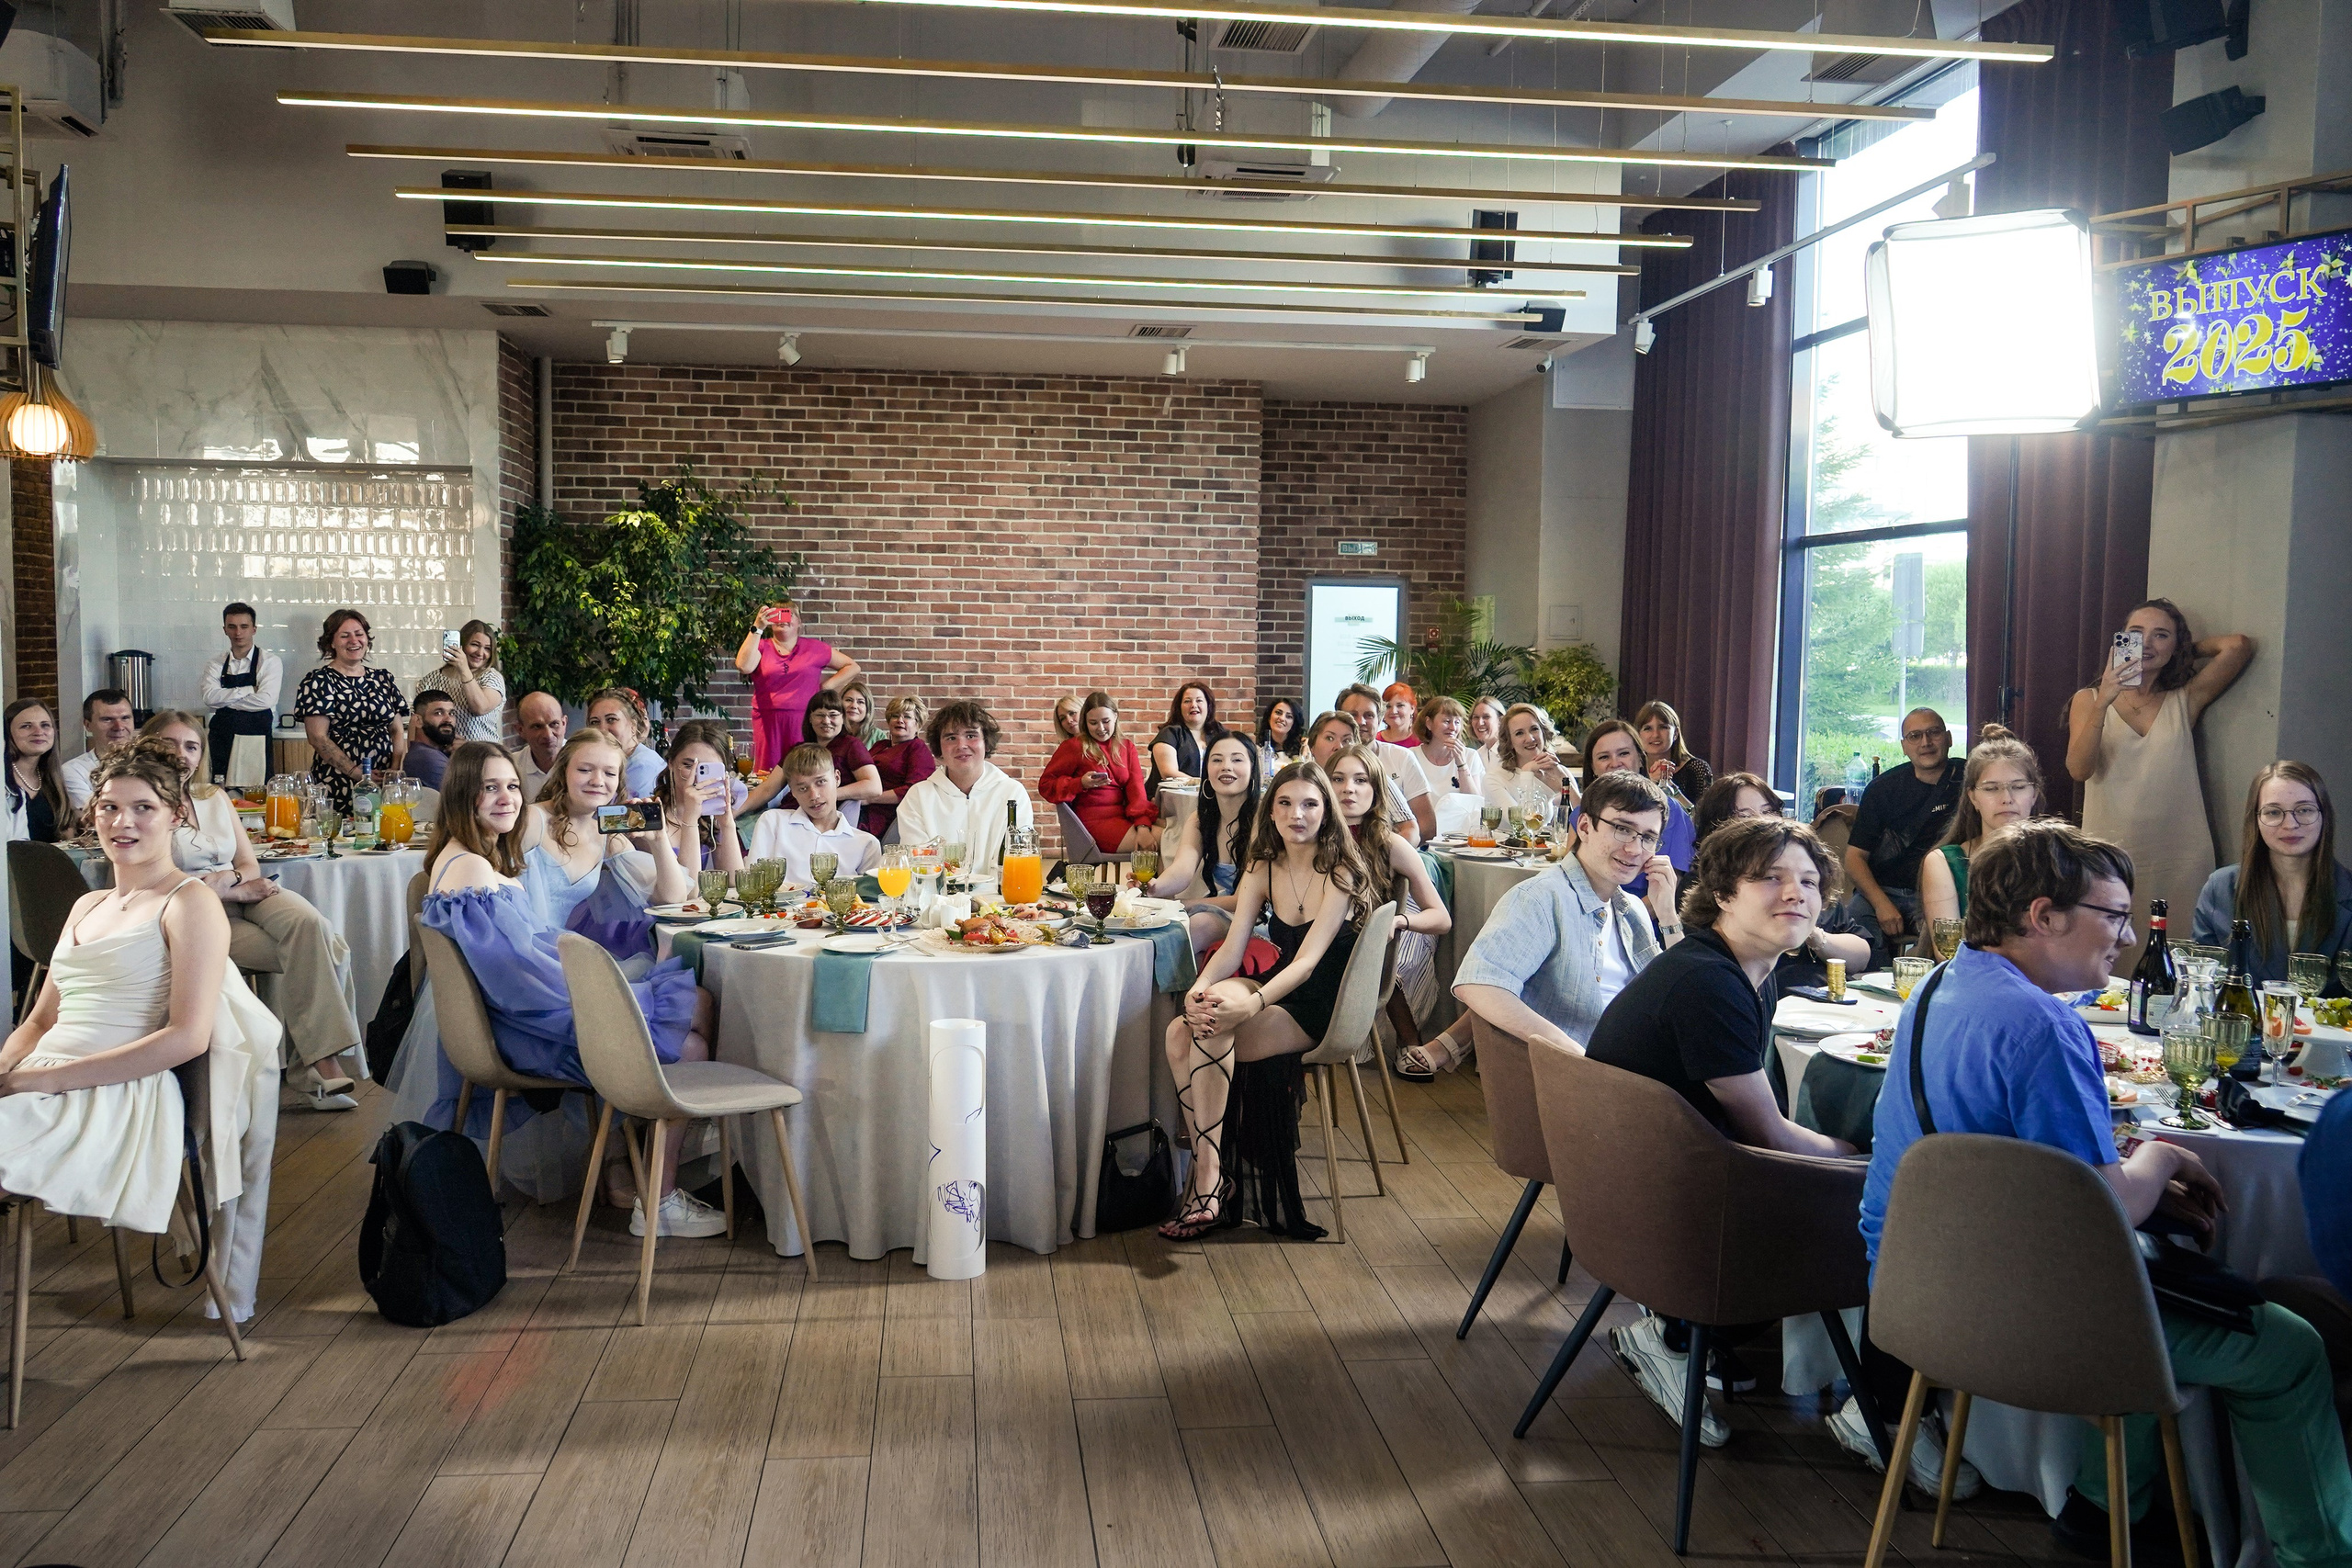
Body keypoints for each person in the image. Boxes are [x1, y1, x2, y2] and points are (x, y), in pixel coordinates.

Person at [1856, 821, 2352, 1562]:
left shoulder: (1939, 983)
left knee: (2141, 1265)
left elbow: (2023, 1166)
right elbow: (2111, 1206)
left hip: (1911, 1293)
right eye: (2112, 915)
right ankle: (2320, 1556)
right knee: (2289, 1344)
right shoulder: (2044, 1024)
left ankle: (2107, 1506)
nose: (2125, 938)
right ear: (2043, 915)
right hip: (2021, 1315)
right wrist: (2155, 1159)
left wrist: (2128, 1173)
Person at [1585, 816, 1857, 1447]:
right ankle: (1888, 1412)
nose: (1796, 893)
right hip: (1666, 1215)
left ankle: (1685, 1333)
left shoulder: (1741, 969)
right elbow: (1768, 1135)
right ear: (1724, 891)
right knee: (1876, 1205)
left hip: (1640, 1182)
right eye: (1771, 877)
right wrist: (1862, 1156)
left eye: (1810, 881)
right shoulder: (1710, 983)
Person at [418, 739, 723, 1238]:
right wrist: (603, 1000)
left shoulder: (478, 856)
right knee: (692, 1028)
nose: (507, 799)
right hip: (528, 1021)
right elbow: (520, 980)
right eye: (490, 789)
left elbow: (677, 894)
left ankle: (654, 1185)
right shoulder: (484, 861)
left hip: (530, 1005)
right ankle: (660, 1194)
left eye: (512, 787)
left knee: (692, 1006)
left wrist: (661, 834)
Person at [0, 743, 250, 1237]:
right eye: (110, 807)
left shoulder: (189, 903)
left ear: (176, 815)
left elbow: (187, 1037)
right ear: (93, 814)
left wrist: (46, 1082)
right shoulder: (86, 904)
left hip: (118, 1088)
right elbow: (40, 1020)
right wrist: (8, 1069)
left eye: (143, 808)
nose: (122, 822)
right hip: (41, 1076)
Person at [1160, 759, 1379, 1240]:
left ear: (1326, 811)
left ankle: (1208, 1180)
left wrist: (1252, 1006)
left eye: (1309, 804)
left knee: (1213, 1025)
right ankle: (1211, 1167)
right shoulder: (1263, 863)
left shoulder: (1341, 870)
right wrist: (1200, 988)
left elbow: (1307, 964)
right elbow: (1235, 947)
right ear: (1271, 811)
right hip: (1281, 982)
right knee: (1181, 1027)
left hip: (1324, 1000)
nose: (1296, 814)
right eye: (1284, 803)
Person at [139, 710, 367, 1112]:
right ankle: (318, 1063)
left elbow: (248, 863)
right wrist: (229, 893)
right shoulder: (142, 804)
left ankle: (314, 1063)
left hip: (242, 891)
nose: (182, 754)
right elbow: (156, 883)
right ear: (149, 747)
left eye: (191, 746)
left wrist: (231, 882)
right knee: (330, 948)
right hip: (194, 916)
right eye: (170, 744)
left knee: (311, 924)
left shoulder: (214, 797)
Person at [2068, 598, 2255, 971]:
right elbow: (2078, 769)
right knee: (2108, 959)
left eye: (2161, 636)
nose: (2147, 644)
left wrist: (2185, 649)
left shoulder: (2185, 699)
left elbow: (2237, 646)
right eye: (2135, 635)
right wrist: (2104, 702)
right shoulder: (2087, 700)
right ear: (2120, 640)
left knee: (2181, 962)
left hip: (2180, 855)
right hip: (2111, 854)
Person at [1452, 771, 1674, 1064]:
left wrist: (1668, 915)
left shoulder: (1631, 910)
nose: (1634, 849)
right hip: (1575, 1082)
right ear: (1584, 826)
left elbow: (1675, 1001)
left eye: (1648, 838)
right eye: (1622, 829)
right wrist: (1578, 1058)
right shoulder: (1542, 897)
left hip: (1636, 1069)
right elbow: (1480, 985)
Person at [1329, 742, 1452, 1074]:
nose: (1348, 789)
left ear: (1377, 789)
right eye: (1337, 779)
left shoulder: (1390, 843)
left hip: (1370, 940)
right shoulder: (1311, 837)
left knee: (1365, 945)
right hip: (1312, 937)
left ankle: (1408, 1039)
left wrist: (1400, 921)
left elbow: (1441, 918)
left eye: (1360, 780)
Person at [1693, 773, 1872, 986]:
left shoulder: (1802, 876)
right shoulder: (1712, 883)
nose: (1762, 822)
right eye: (1744, 816)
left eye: (1768, 812)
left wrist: (1812, 935)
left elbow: (1862, 955)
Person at [2196, 761, 2352, 983]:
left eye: (2305, 810)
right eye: (2273, 812)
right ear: (2256, 819)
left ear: (2324, 816)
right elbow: (2202, 985)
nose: (2290, 824)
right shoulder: (2220, 889)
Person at [1842, 707, 1958, 956]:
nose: (1925, 743)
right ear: (1904, 746)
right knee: (1854, 935)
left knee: (1941, 947)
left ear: (1948, 738)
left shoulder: (1970, 781)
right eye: (1915, 736)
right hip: (1883, 890)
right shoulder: (1882, 789)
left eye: (1933, 733)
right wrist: (1881, 903)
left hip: (1942, 892)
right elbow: (1854, 858)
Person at [1917, 725, 2043, 934]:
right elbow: (1947, 950)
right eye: (1992, 789)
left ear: (2034, 794)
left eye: (2019, 787)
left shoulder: (2058, 860)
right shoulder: (1944, 862)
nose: (2007, 799)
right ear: (1973, 797)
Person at [1149, 731, 1261, 956]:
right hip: (1218, 908)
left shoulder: (1263, 821)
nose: (1226, 767)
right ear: (1206, 770)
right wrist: (1154, 888)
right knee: (1159, 927)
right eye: (1217, 760)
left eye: (1237, 759)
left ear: (1253, 768)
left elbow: (1243, 900)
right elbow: (1182, 870)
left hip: (1257, 917)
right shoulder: (1201, 818)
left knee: (1198, 924)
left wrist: (1182, 904)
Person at [293, 609, 409, 813]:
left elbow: (397, 730)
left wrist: (393, 772)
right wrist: (358, 775)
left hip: (384, 781)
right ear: (331, 643)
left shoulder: (382, 678)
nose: (353, 640)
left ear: (367, 638)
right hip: (338, 780)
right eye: (344, 636)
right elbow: (318, 738)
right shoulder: (319, 681)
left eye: (359, 634)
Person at [895, 700, 1035, 868]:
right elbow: (918, 865)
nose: (961, 745)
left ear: (986, 742)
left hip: (998, 893)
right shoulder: (918, 797)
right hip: (938, 893)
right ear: (939, 747)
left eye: (971, 736)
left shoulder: (1012, 794)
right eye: (951, 738)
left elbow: (1019, 860)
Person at [735, 603, 859, 774]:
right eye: (777, 614)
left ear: (799, 622)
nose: (782, 619)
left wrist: (824, 687)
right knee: (767, 771)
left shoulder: (815, 648)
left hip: (804, 720)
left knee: (803, 767)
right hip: (768, 721)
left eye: (788, 614)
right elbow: (744, 666)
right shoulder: (761, 646)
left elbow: (852, 666)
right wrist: (758, 626)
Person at [1577, 719, 1696, 894]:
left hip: (1644, 914)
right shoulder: (1582, 811)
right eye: (1604, 757)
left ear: (1641, 759)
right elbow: (1571, 872)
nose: (1615, 763)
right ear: (1593, 767)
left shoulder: (1668, 810)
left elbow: (1668, 888)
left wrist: (1627, 919)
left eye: (1624, 754)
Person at [1040, 690, 1160, 854]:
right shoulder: (1074, 746)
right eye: (1093, 723)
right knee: (1167, 840)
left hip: (1124, 817)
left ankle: (1152, 881)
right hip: (1094, 822)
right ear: (1085, 722)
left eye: (1106, 721)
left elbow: (1136, 789)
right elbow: (1046, 785)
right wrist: (1079, 783)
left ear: (1116, 717)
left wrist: (1142, 825)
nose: (1101, 728)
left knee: (1176, 835)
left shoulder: (1126, 747)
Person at [748, 742, 883, 885]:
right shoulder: (773, 823)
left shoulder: (866, 844)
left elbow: (869, 901)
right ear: (792, 792)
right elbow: (753, 883)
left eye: (821, 782)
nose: (814, 795)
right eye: (802, 788)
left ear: (837, 778)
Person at [742, 689, 883, 823]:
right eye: (820, 715)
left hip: (817, 820)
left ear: (842, 719)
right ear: (810, 718)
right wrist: (735, 812)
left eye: (833, 715)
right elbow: (767, 789)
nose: (827, 721)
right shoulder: (798, 750)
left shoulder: (851, 745)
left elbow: (874, 786)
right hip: (788, 812)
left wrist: (828, 795)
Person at [1335, 685, 1429, 843]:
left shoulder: (1402, 757)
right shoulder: (1329, 760)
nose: (1361, 722)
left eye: (1369, 715)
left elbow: (1426, 825)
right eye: (1353, 715)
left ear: (1380, 719)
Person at [1307, 709, 1418, 843]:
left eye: (1347, 740)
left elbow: (1410, 829)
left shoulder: (1374, 778)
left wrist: (1386, 857)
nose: (1338, 746)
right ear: (1312, 746)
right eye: (1330, 738)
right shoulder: (1303, 783)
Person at [200, 601, 280, 784]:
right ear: (224, 629)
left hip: (255, 742)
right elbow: (209, 698)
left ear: (254, 629)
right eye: (232, 627)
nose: (238, 633)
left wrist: (225, 699)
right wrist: (249, 689)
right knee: (219, 793)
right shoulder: (215, 664)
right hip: (221, 741)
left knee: (254, 797)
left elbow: (266, 701)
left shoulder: (269, 662)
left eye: (244, 626)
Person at [652, 718, 745, 874]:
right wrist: (690, 817)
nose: (696, 777)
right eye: (689, 765)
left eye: (707, 769)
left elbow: (734, 881)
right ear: (671, 764)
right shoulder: (653, 815)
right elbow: (687, 887)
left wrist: (727, 824)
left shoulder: (710, 818)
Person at [415, 619, 507, 745]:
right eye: (475, 645)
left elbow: (480, 707)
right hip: (441, 756)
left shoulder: (492, 677)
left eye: (487, 648)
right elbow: (417, 722)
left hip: (482, 756)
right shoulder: (431, 679)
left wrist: (464, 669)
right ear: (461, 644)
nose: (480, 653)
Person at [1485, 702, 1577, 822]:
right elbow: (1521, 824)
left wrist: (1565, 783)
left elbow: (1585, 817)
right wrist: (1527, 773)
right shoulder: (1494, 778)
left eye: (1534, 729)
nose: (1530, 738)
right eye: (1519, 733)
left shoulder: (1559, 771)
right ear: (1510, 742)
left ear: (1543, 733)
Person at [865, 694, 935, 844]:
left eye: (907, 717)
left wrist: (869, 798)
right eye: (895, 716)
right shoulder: (881, 745)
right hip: (864, 807)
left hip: (889, 816)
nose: (900, 720)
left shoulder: (917, 749)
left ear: (918, 724)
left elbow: (913, 791)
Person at [1402, 696, 1484, 824]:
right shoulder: (1411, 756)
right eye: (1447, 721)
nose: (1452, 727)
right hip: (1422, 831)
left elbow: (1475, 804)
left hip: (1460, 833)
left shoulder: (1470, 756)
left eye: (1457, 722)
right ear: (1429, 723)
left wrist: (1462, 764)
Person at [62, 689, 139, 812]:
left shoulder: (152, 764)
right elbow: (96, 816)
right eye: (107, 719)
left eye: (125, 718)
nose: (118, 727)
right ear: (88, 725)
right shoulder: (74, 771)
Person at [584, 687, 667, 800]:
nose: (602, 729)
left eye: (611, 719)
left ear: (633, 725)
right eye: (594, 722)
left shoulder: (642, 766)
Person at [1148, 682, 1227, 798]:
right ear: (1179, 707)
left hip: (1210, 796)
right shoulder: (1169, 733)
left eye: (1199, 700)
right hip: (1171, 799)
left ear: (1208, 705)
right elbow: (1168, 773)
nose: (1193, 705)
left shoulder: (1218, 732)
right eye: (1187, 701)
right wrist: (1205, 786)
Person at [6, 698, 67, 843]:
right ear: (7, 733)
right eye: (26, 726)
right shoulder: (3, 781)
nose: (39, 732)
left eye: (45, 725)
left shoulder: (53, 780)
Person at [1634, 699, 1712, 804]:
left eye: (1663, 727)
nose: (1655, 734)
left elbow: (1703, 817)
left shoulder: (1696, 769)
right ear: (1638, 735)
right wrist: (1650, 782)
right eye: (1648, 729)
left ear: (1675, 733)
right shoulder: (1631, 769)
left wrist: (1670, 787)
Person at [514, 691, 568, 802]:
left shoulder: (584, 761)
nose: (548, 735)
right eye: (537, 726)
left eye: (554, 724)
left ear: (564, 723)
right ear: (520, 730)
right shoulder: (512, 767)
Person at [402, 691, 460, 790]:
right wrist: (467, 757)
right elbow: (471, 798)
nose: (448, 719)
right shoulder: (427, 758)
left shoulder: (440, 752)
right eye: (438, 713)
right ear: (418, 721)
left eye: (451, 713)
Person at [1257, 696, 1304, 777]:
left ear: (1294, 724)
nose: (1282, 718)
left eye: (1289, 716)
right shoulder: (1257, 749)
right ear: (1269, 717)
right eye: (1278, 713)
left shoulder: (1302, 749)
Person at [1468, 694, 1509, 773]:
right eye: (1476, 717)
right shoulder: (1477, 755)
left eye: (1486, 717)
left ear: (1500, 720)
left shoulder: (1511, 752)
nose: (1480, 723)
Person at [841, 678, 884, 748]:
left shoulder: (878, 736)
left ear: (868, 708)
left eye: (860, 702)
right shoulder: (833, 732)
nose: (854, 706)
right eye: (848, 700)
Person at [1376, 682, 1419, 748]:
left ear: (1412, 709)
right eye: (1388, 706)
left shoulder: (1421, 741)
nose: (1393, 711)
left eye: (1400, 705)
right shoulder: (1375, 741)